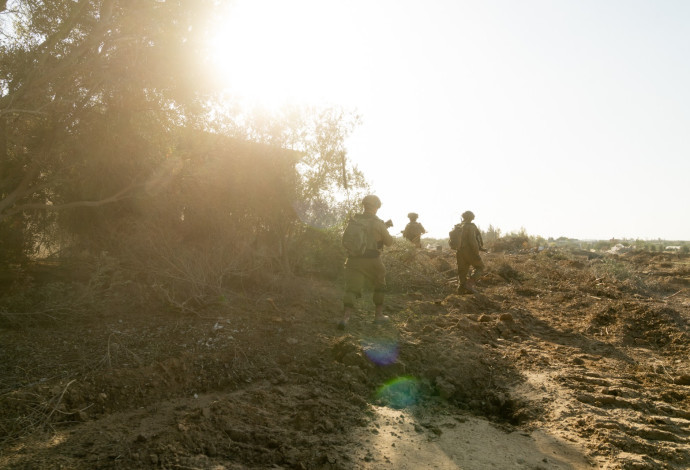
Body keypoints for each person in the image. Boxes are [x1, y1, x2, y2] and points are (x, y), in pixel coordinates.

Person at [339, 195, 394, 329]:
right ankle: (378, 316)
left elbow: (345, 241)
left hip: (354, 261)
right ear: (376, 207)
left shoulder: (354, 221)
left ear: (364, 206)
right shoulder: (378, 223)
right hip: (373, 261)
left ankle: (345, 318)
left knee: (351, 289)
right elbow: (390, 242)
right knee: (380, 285)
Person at [454, 210, 485, 294]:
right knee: (480, 267)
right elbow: (472, 241)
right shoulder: (470, 227)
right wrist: (476, 253)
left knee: (462, 271)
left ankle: (461, 290)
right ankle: (469, 284)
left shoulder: (458, 226)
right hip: (469, 251)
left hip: (459, 251)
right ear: (472, 217)